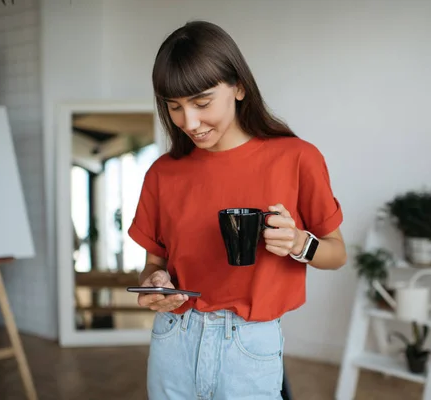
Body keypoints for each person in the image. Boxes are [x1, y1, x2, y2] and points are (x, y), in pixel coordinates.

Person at [128, 20, 347, 400]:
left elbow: (337, 253)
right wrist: (155, 284)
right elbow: (154, 263)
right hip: (172, 340)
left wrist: (298, 243)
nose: (189, 122)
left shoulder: (297, 158)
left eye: (202, 102)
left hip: (250, 344)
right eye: (175, 107)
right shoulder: (162, 173)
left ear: (240, 87)